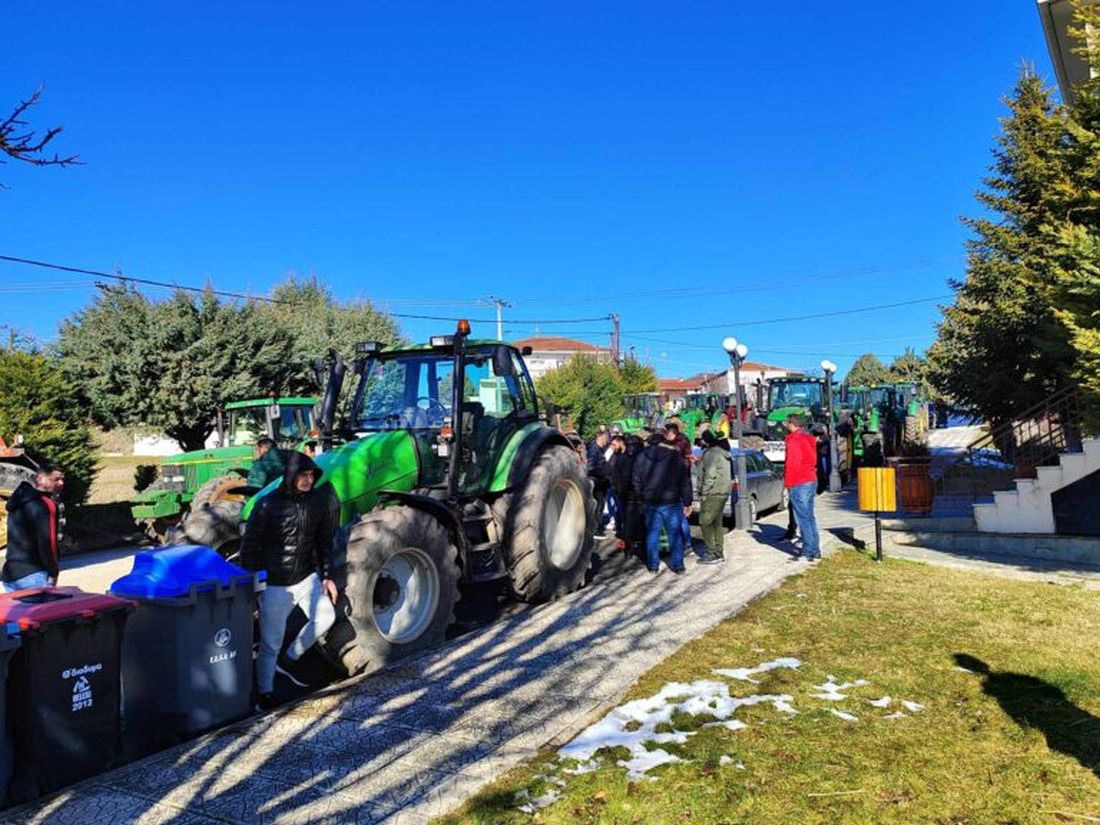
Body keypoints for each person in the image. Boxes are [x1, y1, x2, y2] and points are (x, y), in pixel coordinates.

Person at [240, 451, 339, 707]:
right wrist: (254, 585)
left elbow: (323, 542)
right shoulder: (267, 505)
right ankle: (265, 693)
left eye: (310, 475)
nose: (307, 480)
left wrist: (327, 576)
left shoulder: (318, 501)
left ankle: (289, 660)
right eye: (302, 475)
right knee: (270, 643)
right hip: (275, 585)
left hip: (307, 578)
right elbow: (250, 547)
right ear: (290, 476)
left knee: (326, 617)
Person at [632, 428, 693, 574]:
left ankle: (653, 566)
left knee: (652, 534)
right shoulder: (674, 456)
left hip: (650, 500)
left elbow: (635, 480)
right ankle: (678, 565)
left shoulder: (641, 457)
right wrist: (687, 501)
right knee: (674, 534)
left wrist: (642, 495)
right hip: (671, 500)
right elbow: (684, 481)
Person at [2, 463, 65, 591]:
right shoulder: (46, 504)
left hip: (10, 575)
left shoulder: (18, 500)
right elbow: (48, 543)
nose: (61, 483)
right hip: (33, 575)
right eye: (56, 479)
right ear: (40, 480)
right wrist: (54, 572)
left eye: (63, 479)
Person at [784, 414, 820, 562]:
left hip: (799, 481)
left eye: (786, 424)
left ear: (791, 425)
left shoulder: (793, 440)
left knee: (803, 518)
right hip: (811, 478)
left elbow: (792, 463)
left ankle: (807, 551)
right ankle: (814, 549)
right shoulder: (808, 438)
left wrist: (788, 483)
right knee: (809, 517)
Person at [610, 433, 645, 558]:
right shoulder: (643, 458)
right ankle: (641, 546)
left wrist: (620, 491)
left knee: (629, 521)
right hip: (640, 494)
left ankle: (629, 549)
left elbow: (615, 477)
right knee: (642, 521)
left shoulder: (621, 458)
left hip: (627, 494)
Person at [697, 431, 730, 563]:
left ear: (706, 441)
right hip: (722, 492)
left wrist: (704, 492)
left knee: (704, 522)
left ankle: (712, 552)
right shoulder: (721, 453)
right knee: (717, 523)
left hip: (713, 493)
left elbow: (710, 475)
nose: (700, 442)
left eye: (702, 440)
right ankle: (718, 551)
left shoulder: (711, 454)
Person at [586, 430, 612, 539]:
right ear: (600, 438)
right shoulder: (594, 449)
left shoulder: (599, 449)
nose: (607, 441)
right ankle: (596, 528)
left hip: (600, 481)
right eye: (606, 438)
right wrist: (604, 472)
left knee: (600, 505)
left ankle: (597, 526)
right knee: (598, 505)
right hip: (597, 481)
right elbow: (590, 467)